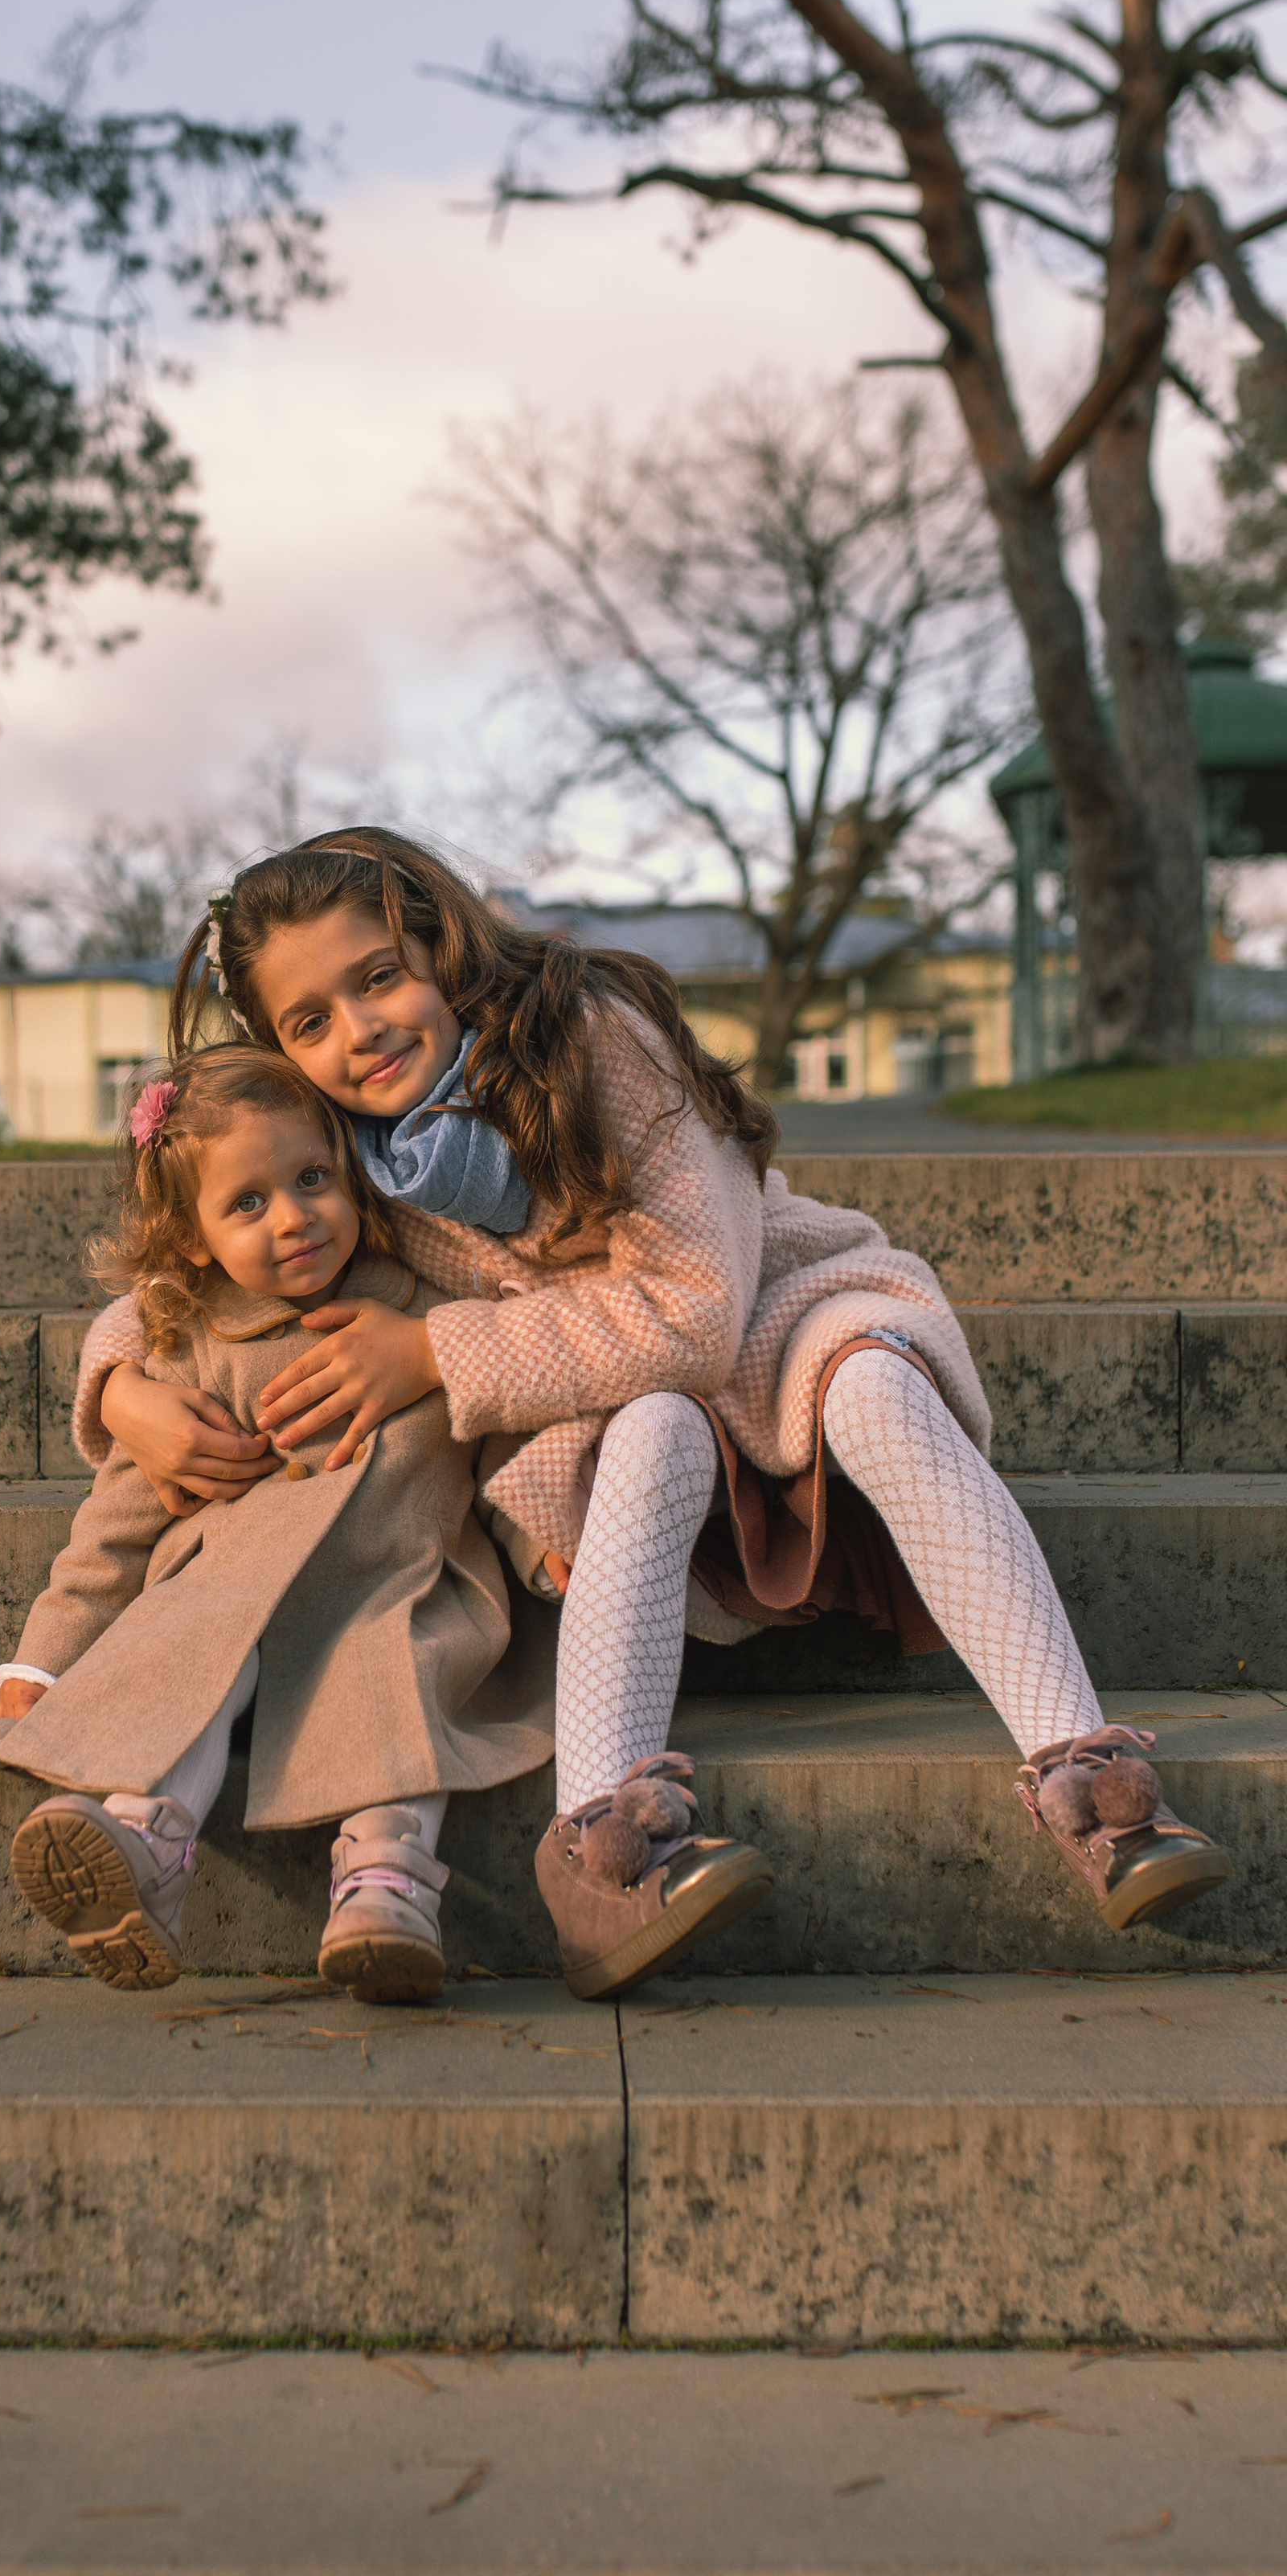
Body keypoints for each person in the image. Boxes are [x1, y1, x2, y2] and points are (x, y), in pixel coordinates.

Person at [71, 829, 1232, 2000]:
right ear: (277, 1049)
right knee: (655, 1427)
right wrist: (121, 1382)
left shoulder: (589, 1038)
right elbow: (195, 1263)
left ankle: (1091, 1782)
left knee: (876, 1389)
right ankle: (604, 1847)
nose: (358, 1030)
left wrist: (431, 1349)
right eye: (309, 1021)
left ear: (443, 945)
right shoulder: (341, 1151)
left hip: (775, 1324)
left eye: (379, 976)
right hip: (626, 1417)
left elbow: (697, 1313)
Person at [0, 1040, 564, 2002]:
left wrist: (544, 1542)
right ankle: (147, 1838)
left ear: (351, 1177)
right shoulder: (189, 1350)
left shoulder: (426, 1321)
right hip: (227, 1591)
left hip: (393, 1580)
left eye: (312, 1179)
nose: (293, 1216)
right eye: (247, 1203)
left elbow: (498, 1450)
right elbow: (113, 1531)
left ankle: (386, 1885)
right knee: (195, 1647)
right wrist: (40, 1662)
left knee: (398, 1671)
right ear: (193, 1239)